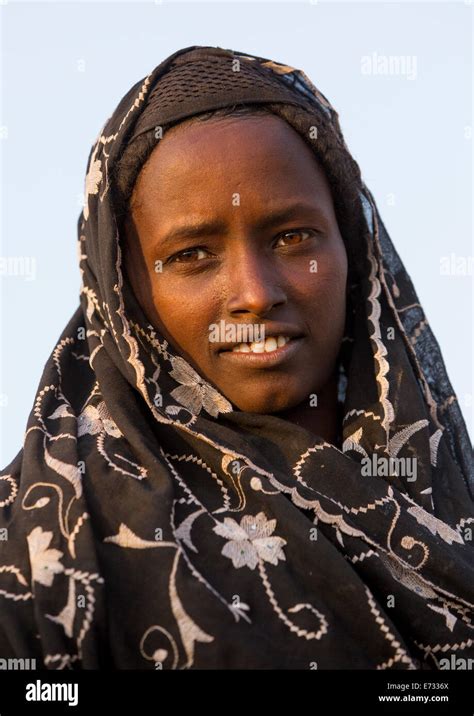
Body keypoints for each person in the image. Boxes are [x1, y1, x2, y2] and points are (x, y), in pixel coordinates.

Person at [0, 45, 472, 670]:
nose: (255, 294)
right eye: (193, 254)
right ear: (125, 293)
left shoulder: (446, 500)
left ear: (356, 249)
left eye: (292, 237)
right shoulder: (36, 547)